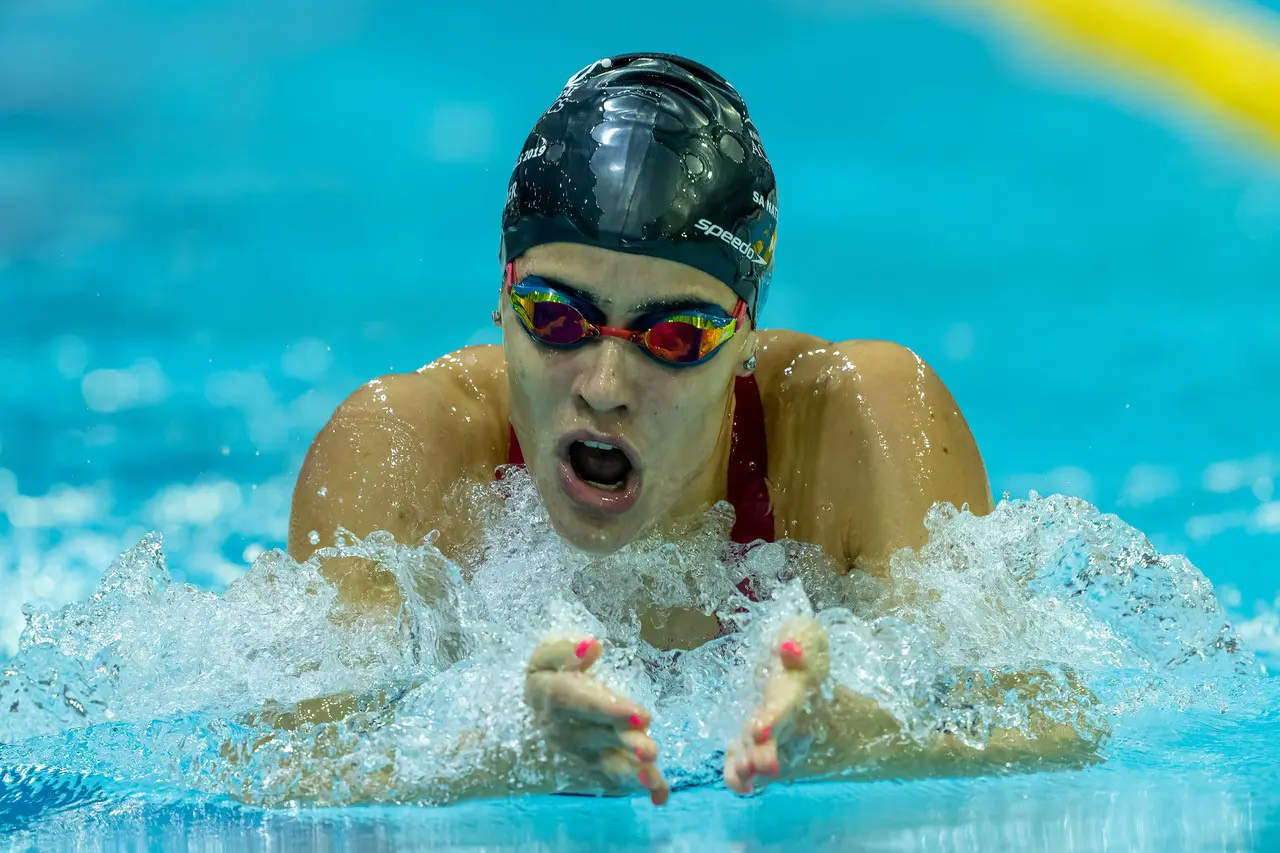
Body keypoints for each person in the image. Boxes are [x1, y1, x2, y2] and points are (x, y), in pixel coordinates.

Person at [285, 54, 1097, 806]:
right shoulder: (403, 450)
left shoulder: (857, 426)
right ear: (502, 296)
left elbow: (1052, 726)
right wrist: (503, 753)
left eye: (676, 335)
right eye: (557, 317)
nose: (605, 388)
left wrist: (860, 735)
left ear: (744, 336)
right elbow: (284, 770)